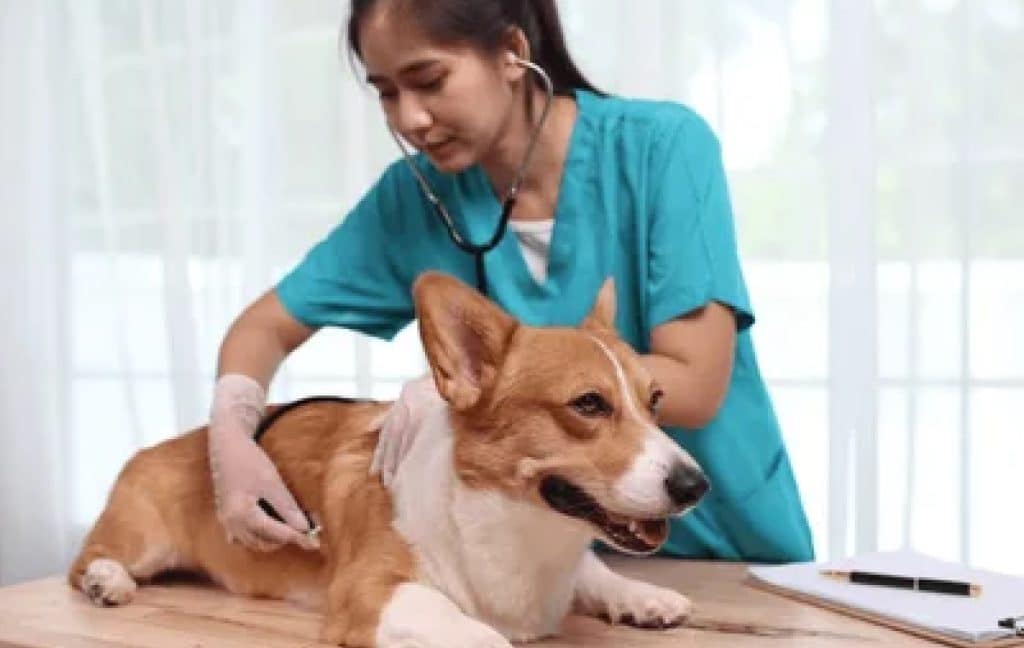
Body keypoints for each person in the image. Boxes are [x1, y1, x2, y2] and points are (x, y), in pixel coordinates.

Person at [207, 0, 814, 563]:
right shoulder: (410, 199)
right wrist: (232, 436)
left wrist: (486, 390)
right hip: (563, 570)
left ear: (512, 53)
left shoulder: (662, 148)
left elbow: (699, 382)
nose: (409, 118)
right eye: (386, 93)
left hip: (727, 550)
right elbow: (264, 327)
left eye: (429, 80)